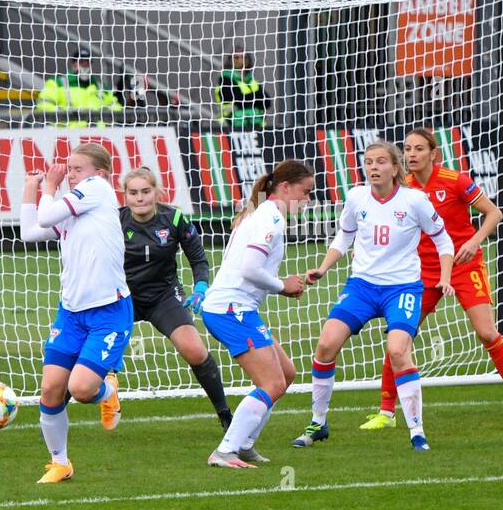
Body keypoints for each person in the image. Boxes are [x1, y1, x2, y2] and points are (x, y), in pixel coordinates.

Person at [358, 128, 503, 431]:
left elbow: (494, 213)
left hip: (463, 266)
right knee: (400, 339)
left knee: (487, 333)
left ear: (434, 154)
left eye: (419, 149)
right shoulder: (401, 188)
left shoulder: (455, 181)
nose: (411, 155)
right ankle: (386, 412)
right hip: (420, 272)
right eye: (407, 149)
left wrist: (474, 242)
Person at [296, 140, 454, 452]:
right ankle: (318, 422)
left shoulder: (415, 201)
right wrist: (323, 268)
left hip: (403, 288)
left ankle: (416, 431)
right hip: (362, 287)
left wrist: (445, 278)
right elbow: (345, 236)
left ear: (396, 168)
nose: (373, 168)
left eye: (381, 162)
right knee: (326, 343)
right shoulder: (356, 198)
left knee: (397, 351)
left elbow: (444, 241)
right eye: (369, 162)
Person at [19, 143, 133, 483]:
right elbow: (29, 231)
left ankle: (107, 392)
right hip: (70, 312)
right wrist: (31, 187)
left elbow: (44, 215)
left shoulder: (97, 190)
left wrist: (49, 188)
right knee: (52, 389)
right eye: (68, 168)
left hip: (109, 311)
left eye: (77, 169)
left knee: (81, 389)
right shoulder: (74, 208)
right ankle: (61, 463)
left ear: (100, 174)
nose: (69, 173)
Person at [200, 160, 313, 467]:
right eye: (305, 192)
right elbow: (250, 269)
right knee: (272, 383)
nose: (308, 201)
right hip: (230, 309)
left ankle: (245, 443)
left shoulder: (263, 213)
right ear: (285, 188)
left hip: (236, 308)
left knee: (286, 374)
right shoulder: (270, 219)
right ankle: (225, 451)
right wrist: (282, 286)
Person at [117, 167, 232, 430]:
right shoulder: (115, 221)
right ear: (125, 195)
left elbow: (198, 258)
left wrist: (201, 287)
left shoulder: (175, 218)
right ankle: (59, 407)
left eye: (145, 191)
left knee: (195, 350)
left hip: (163, 295)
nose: (140, 198)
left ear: (156, 192)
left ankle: (225, 416)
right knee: (93, 353)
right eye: (133, 192)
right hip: (124, 296)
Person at [36, 46, 122, 123]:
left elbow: (116, 107)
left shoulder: (99, 86)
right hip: (69, 135)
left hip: (97, 136)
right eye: (82, 63)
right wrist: (64, 114)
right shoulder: (58, 83)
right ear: (74, 65)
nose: (85, 66)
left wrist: (103, 114)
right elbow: (43, 105)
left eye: (87, 63)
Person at [215, 42, 267, 129]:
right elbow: (238, 100)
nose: (240, 60)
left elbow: (267, 102)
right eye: (236, 57)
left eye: (244, 57)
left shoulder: (251, 80)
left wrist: (249, 98)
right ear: (230, 60)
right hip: (232, 125)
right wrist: (256, 97)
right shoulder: (225, 79)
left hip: (256, 125)